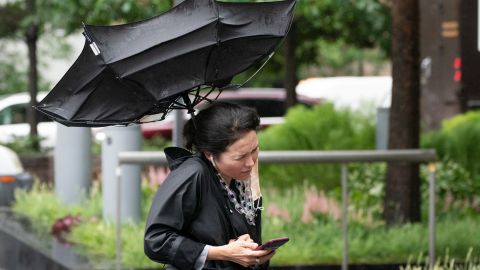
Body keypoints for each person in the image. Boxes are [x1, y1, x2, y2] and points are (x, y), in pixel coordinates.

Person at [144, 102, 275, 270]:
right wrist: (221, 252)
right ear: (209, 154)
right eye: (240, 157)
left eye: (254, 150)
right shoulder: (192, 174)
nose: (250, 162)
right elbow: (156, 241)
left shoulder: (240, 174)